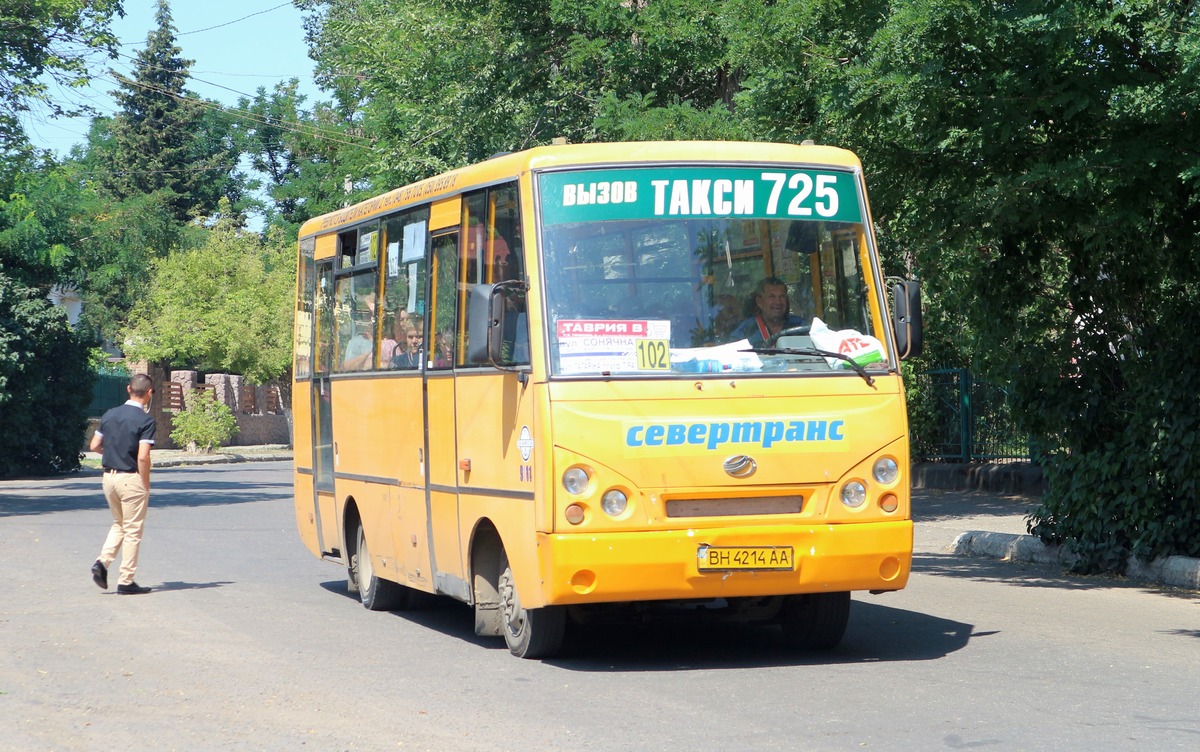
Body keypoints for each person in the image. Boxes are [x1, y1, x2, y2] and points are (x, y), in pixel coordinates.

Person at [89, 373, 156, 595]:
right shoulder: (146, 420)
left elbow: (94, 445)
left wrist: (111, 452)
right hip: (130, 478)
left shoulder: (109, 414)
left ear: (128, 389)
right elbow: (144, 457)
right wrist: (144, 482)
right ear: (149, 393)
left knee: (119, 524)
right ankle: (126, 580)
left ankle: (102, 562)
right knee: (133, 530)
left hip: (109, 477)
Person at [729, 276, 807, 347]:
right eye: (771, 296)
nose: (778, 302)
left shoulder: (799, 325)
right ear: (759, 301)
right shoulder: (744, 330)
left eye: (782, 296)